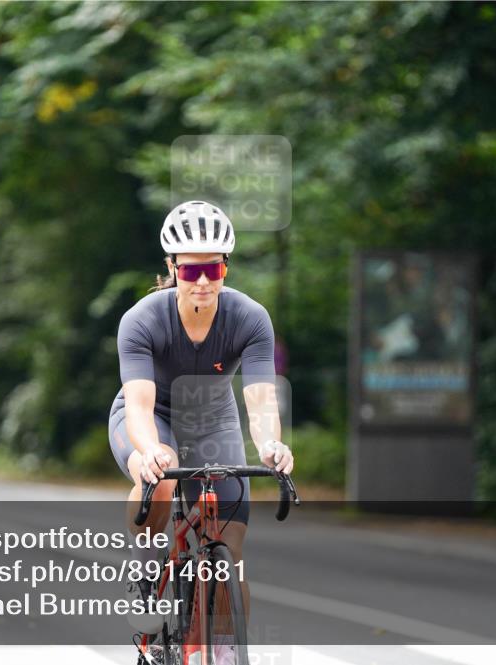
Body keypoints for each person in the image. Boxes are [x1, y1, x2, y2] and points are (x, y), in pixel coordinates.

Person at [108, 200, 294, 659]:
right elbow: (138, 404)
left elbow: (259, 398)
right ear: (172, 268)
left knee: (230, 548)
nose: (204, 281)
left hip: (213, 419)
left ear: (226, 267)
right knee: (159, 474)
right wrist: (150, 450)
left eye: (213, 269)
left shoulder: (250, 318)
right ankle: (147, 574)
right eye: (191, 272)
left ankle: (228, 652)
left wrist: (271, 444)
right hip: (154, 416)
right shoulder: (142, 320)